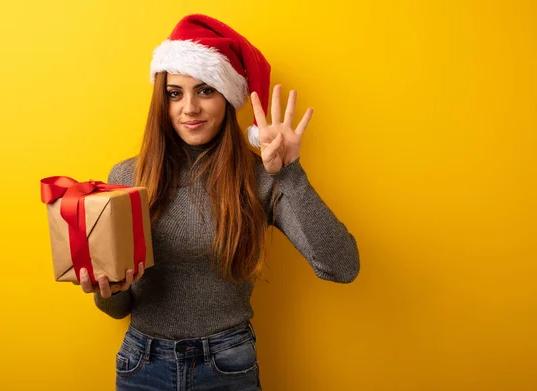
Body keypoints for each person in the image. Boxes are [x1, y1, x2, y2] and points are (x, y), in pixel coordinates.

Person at [78, 14, 360, 391]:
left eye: (205, 90)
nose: (189, 108)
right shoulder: (127, 177)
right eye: (175, 93)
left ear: (227, 97)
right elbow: (119, 309)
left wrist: (290, 173)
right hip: (143, 364)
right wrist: (106, 289)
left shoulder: (260, 176)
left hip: (226, 366)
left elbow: (342, 266)